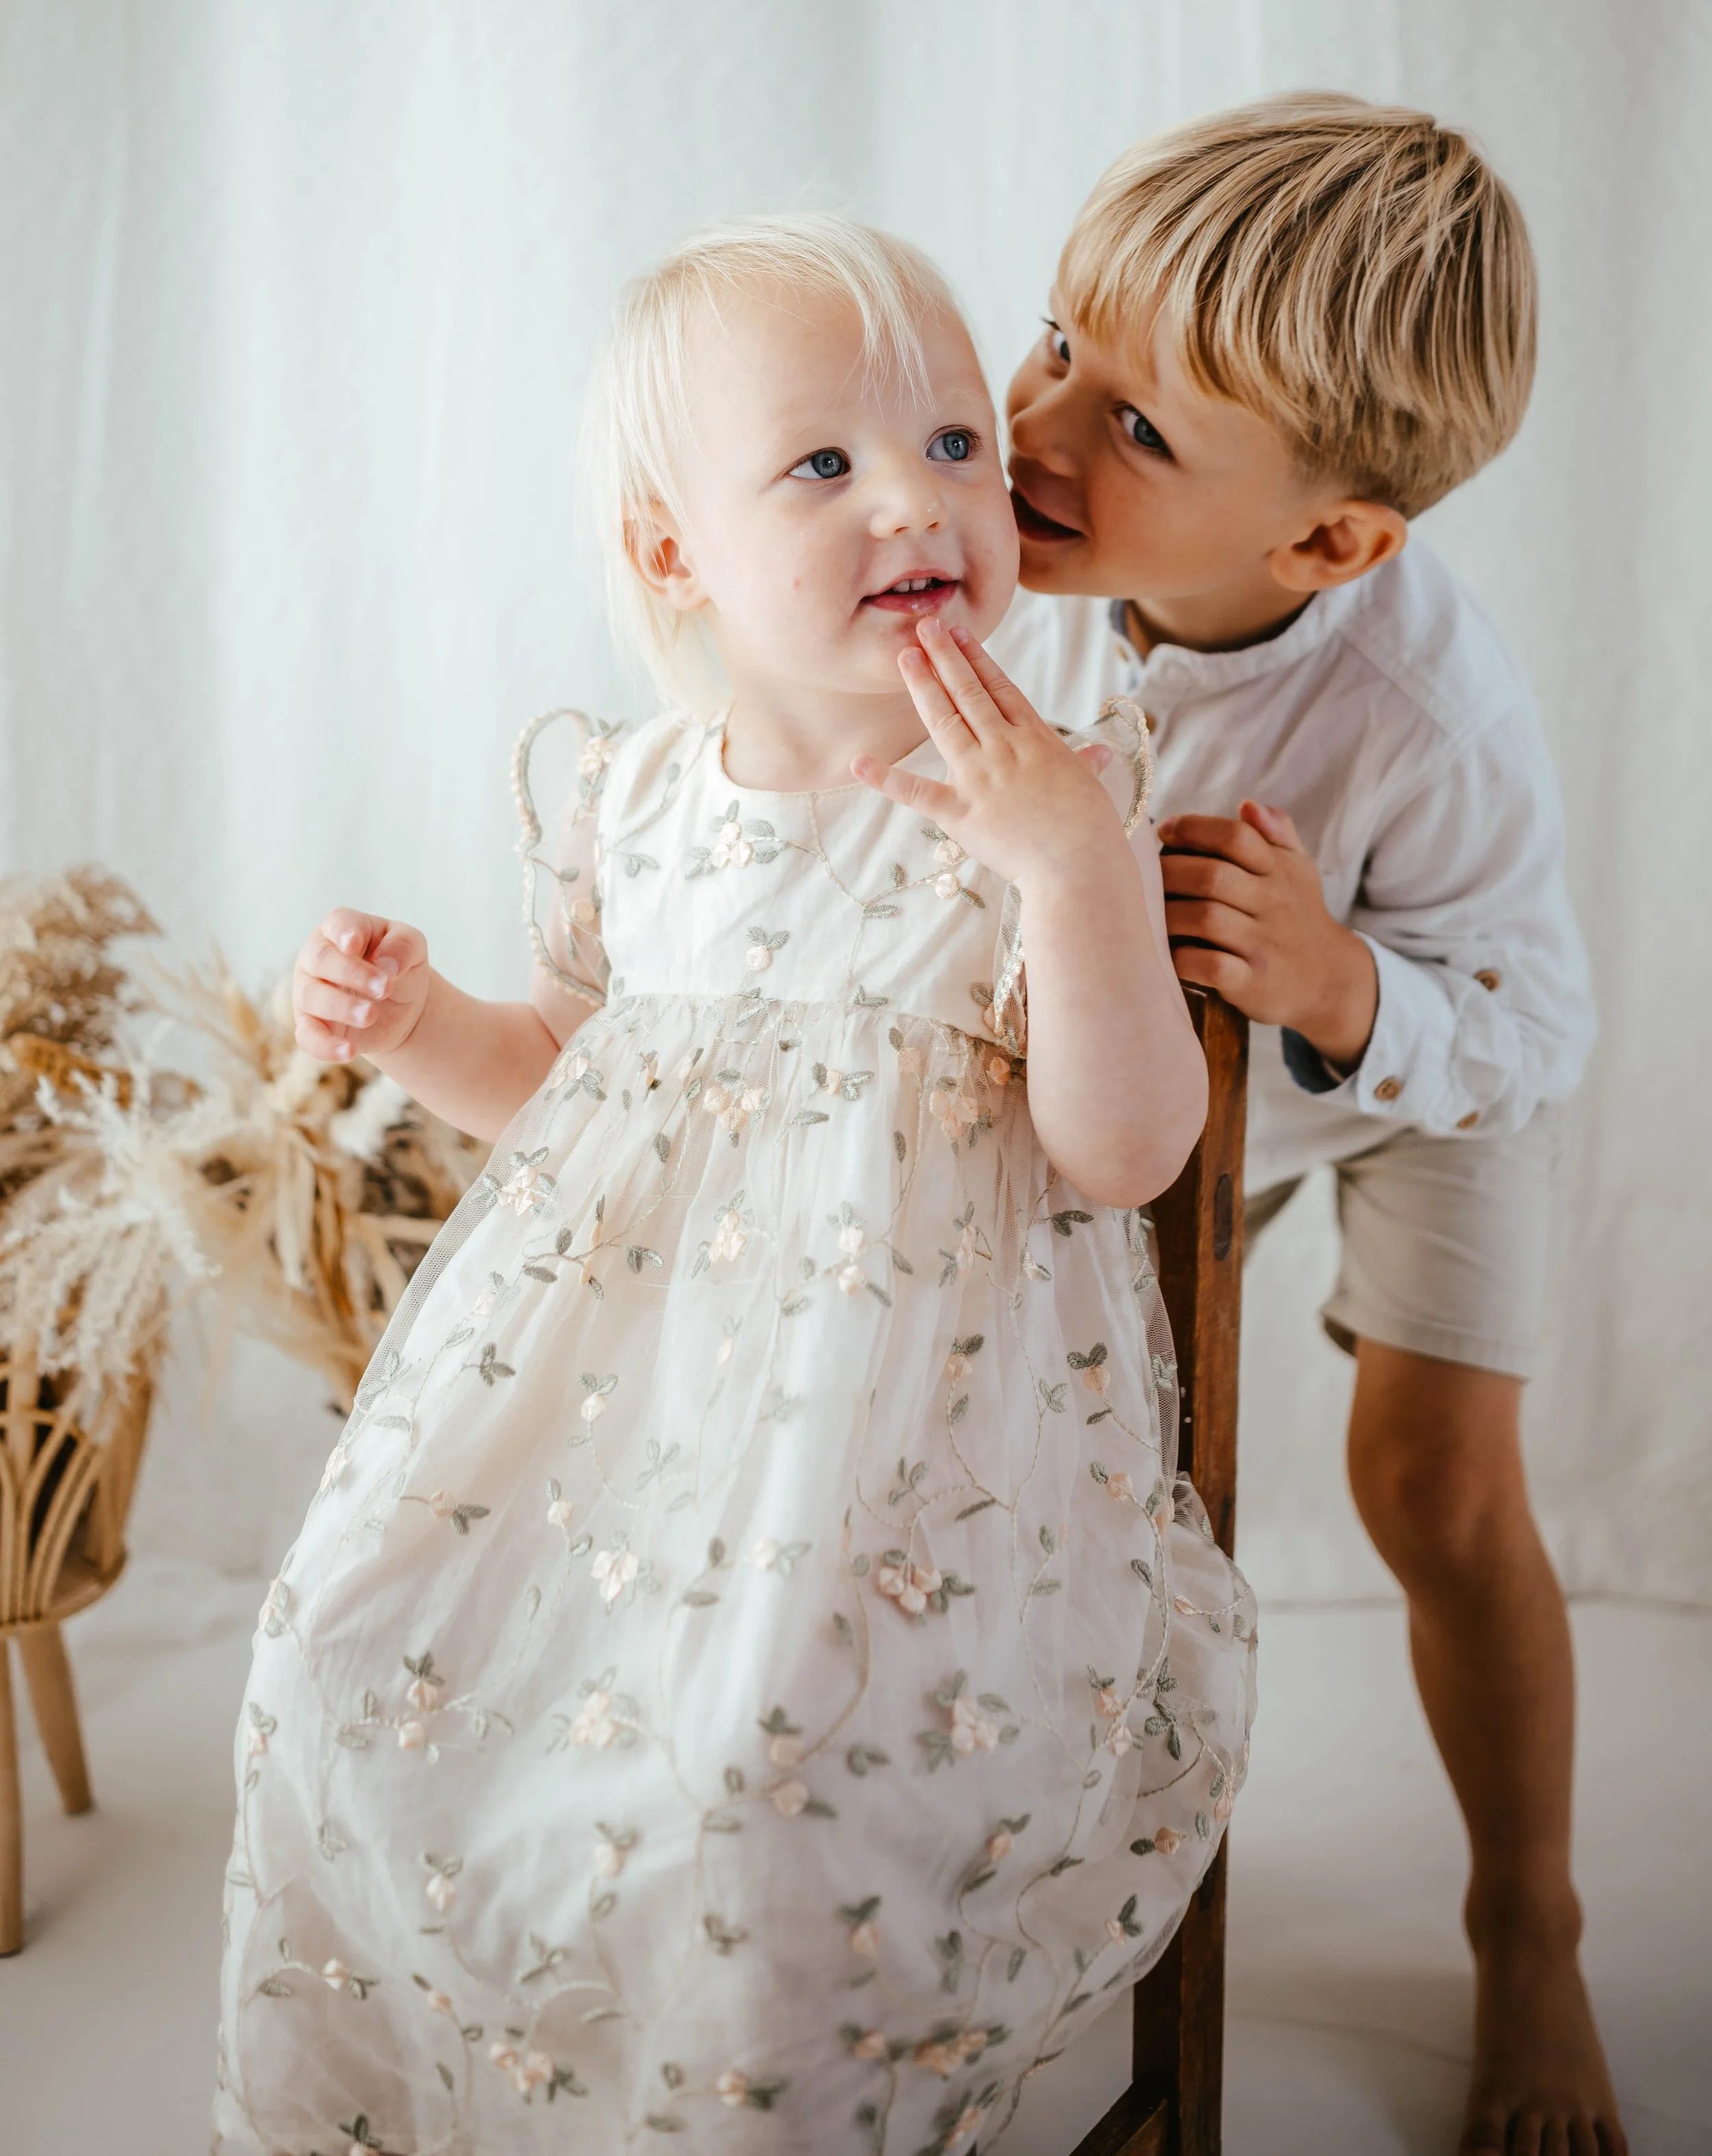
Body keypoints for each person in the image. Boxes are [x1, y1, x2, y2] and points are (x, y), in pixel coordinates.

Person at [213, 216, 1256, 2156]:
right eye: (825, 464)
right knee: (342, 1652)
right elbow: (567, 1082)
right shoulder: (638, 794)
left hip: (903, 1476)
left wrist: (1072, 874)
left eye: (954, 446)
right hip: (621, 1443)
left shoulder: (1049, 796)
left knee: (751, 1778)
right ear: (675, 553)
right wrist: (425, 1017)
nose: (916, 502)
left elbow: (1123, 1152)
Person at [990, 93, 1623, 2156]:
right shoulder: (1022, 554)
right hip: (1174, 1064)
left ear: (1331, 542)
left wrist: (1346, 988)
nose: (1042, 424)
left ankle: (1525, 1925)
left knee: (1430, 1482)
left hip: (1427, 1049)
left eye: (1137, 428)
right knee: (1045, 1434)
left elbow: (1535, 1021)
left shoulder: (1424, 716)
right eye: (1057, 342)